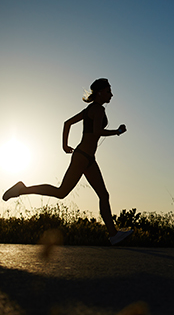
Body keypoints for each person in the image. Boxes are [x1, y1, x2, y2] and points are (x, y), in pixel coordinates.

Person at [2, 78, 133, 245]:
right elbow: (97, 131)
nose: (111, 95)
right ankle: (22, 189)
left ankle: (113, 234)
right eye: (108, 91)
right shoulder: (98, 109)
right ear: (100, 93)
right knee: (61, 192)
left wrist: (65, 145)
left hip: (88, 158)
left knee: (103, 195)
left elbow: (67, 123)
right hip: (82, 157)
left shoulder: (89, 109)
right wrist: (118, 131)